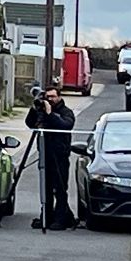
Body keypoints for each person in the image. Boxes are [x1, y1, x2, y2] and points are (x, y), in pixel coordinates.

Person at [25, 86, 76, 231]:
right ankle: (46, 217)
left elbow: (65, 125)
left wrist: (50, 114)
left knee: (60, 189)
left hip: (60, 156)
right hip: (45, 154)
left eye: (53, 97)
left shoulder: (66, 112)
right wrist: (35, 109)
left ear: (59, 97)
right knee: (46, 188)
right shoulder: (41, 109)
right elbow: (30, 123)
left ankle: (60, 219)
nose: (50, 100)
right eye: (48, 97)